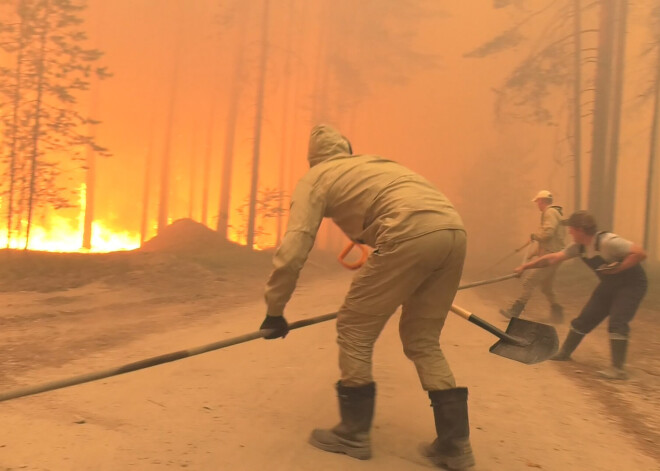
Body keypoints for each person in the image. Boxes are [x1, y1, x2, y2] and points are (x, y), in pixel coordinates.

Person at [258, 124, 475, 469]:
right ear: (346, 149)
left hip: (408, 233)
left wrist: (274, 310)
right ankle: (454, 444)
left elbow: (295, 246)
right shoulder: (374, 164)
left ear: (313, 159)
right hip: (453, 231)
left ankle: (352, 433)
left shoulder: (316, 178)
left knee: (355, 327)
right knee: (423, 338)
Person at [514, 210, 647, 380]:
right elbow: (552, 258)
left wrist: (618, 268)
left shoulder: (608, 242)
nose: (569, 231)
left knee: (618, 321)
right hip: (609, 284)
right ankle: (564, 353)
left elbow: (640, 253)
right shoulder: (578, 247)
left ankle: (618, 369)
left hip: (632, 284)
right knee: (585, 318)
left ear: (580, 229)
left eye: (571, 228)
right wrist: (524, 267)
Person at [500, 190, 566, 323]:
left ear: (541, 201)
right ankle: (558, 313)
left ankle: (515, 311)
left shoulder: (550, 212)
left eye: (537, 202)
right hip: (553, 255)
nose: (537, 205)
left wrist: (535, 236)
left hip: (551, 257)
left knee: (529, 282)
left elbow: (548, 233)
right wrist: (532, 254)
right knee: (547, 287)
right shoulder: (552, 213)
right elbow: (548, 240)